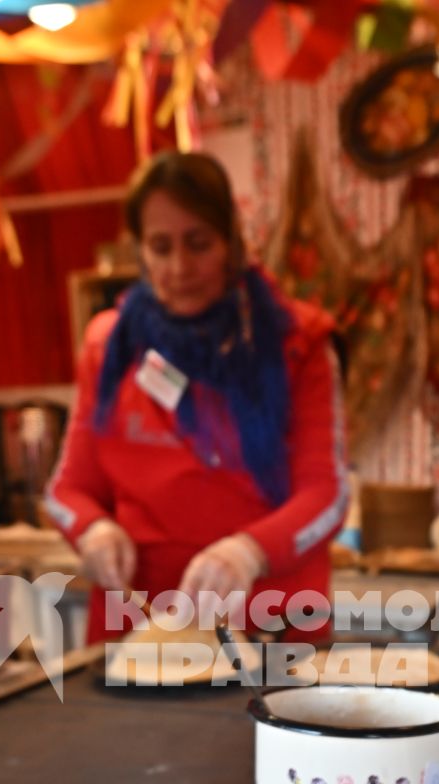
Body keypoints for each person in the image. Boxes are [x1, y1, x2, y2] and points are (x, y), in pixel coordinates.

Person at [44, 150, 348, 642]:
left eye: (198, 243)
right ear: (140, 249)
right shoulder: (111, 347)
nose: (179, 266)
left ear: (231, 241)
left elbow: (327, 496)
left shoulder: (299, 345)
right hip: (139, 635)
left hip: (268, 629)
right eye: (160, 247)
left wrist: (249, 552)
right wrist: (91, 530)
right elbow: (66, 490)